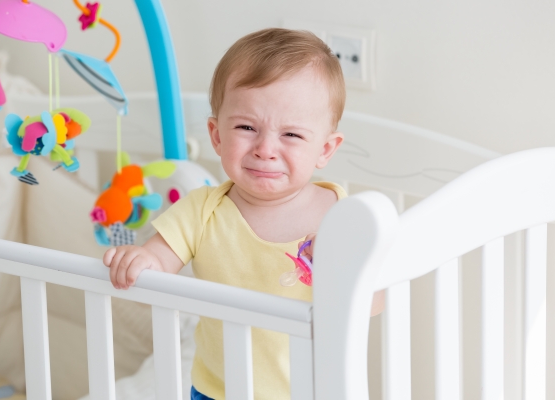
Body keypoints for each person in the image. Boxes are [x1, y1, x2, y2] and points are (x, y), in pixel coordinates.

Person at [103, 27, 384, 400]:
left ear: (326, 149)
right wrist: (138, 261)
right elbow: (156, 267)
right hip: (216, 390)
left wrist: (343, 271)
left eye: (292, 136)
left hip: (311, 390)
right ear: (216, 135)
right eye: (247, 127)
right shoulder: (201, 209)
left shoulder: (339, 217)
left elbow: (374, 303)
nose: (266, 149)